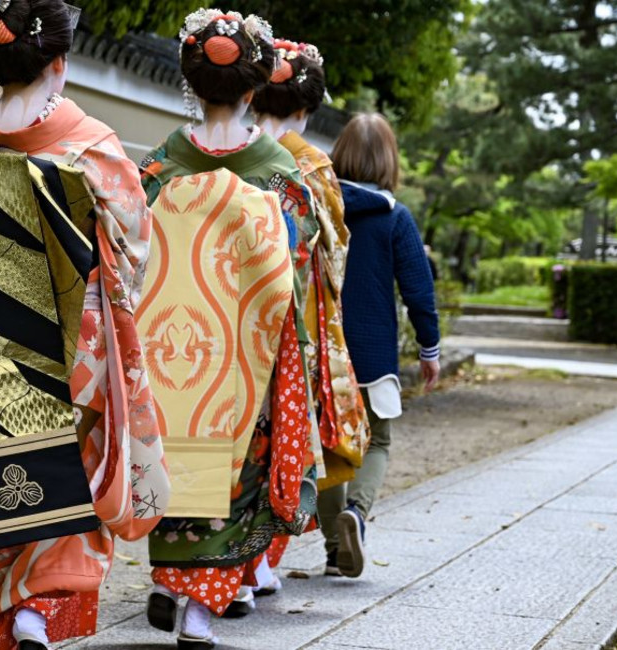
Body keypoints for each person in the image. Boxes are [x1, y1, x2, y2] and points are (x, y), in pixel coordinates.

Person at [0, 1, 169, 648]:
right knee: (68, 482)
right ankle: (39, 612)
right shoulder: (91, 147)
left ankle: (4, 613)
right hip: (69, 345)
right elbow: (134, 245)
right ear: (60, 62)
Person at [135, 9, 318, 649]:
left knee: (173, 453)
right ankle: (200, 609)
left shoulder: (160, 166)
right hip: (247, 354)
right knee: (238, 469)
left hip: (169, 351)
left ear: (192, 83)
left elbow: (130, 247)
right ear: (253, 89)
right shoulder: (279, 174)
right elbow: (299, 256)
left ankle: (167, 584)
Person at [250, 38, 371, 593]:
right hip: (292, 315)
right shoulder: (312, 165)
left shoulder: (228, 146)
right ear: (307, 109)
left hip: (226, 307)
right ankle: (259, 560)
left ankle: (219, 559)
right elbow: (333, 249)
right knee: (284, 432)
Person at [319, 112, 441, 579]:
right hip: (373, 354)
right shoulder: (396, 217)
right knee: (377, 442)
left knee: (330, 447)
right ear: (390, 160)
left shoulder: (320, 207)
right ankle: (358, 514)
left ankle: (334, 549)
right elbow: (419, 292)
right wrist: (429, 351)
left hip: (324, 350)